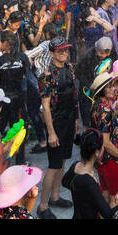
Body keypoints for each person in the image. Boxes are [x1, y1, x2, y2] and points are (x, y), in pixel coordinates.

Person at [35, 40, 79, 218]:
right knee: (53, 166)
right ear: (51, 53)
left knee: (62, 161)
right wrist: (51, 132)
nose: (64, 54)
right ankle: (42, 207)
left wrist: (76, 120)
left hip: (69, 120)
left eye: (65, 51)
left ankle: (55, 196)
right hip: (55, 122)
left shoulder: (70, 68)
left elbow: (74, 95)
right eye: (59, 51)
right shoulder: (46, 76)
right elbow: (45, 107)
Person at [62, 129, 118, 219]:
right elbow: (108, 214)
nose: (103, 149)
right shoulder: (89, 182)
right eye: (102, 147)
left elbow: (64, 182)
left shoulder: (75, 166)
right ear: (96, 152)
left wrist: (82, 195)